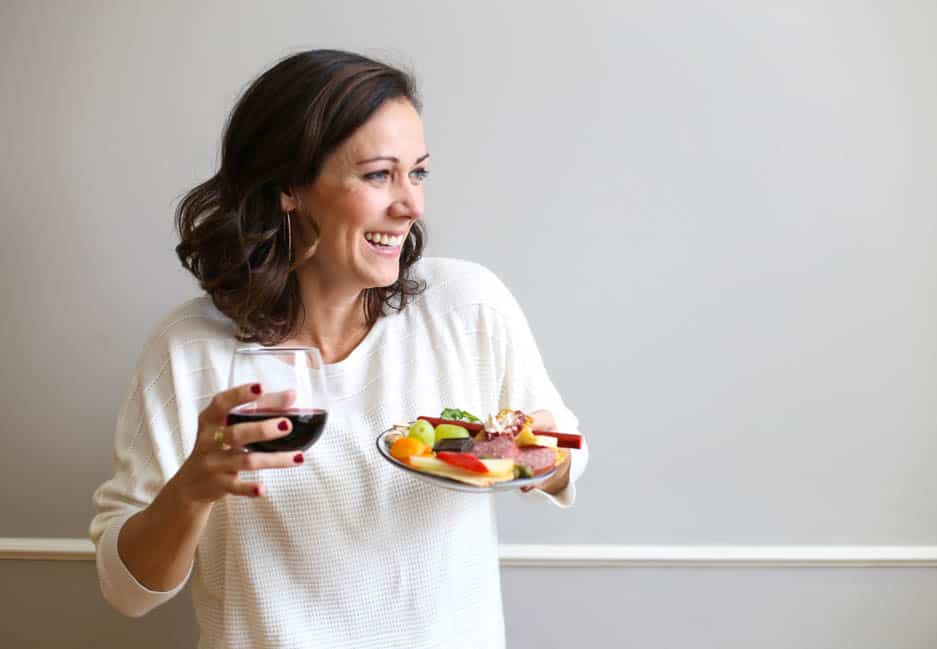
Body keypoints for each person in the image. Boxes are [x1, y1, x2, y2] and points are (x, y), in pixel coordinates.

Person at [89, 48, 589, 649]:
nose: (411, 205)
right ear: (288, 188)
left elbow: (563, 448)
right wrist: (192, 490)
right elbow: (127, 591)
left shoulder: (468, 306)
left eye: (418, 172)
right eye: (379, 175)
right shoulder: (193, 352)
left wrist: (540, 452)